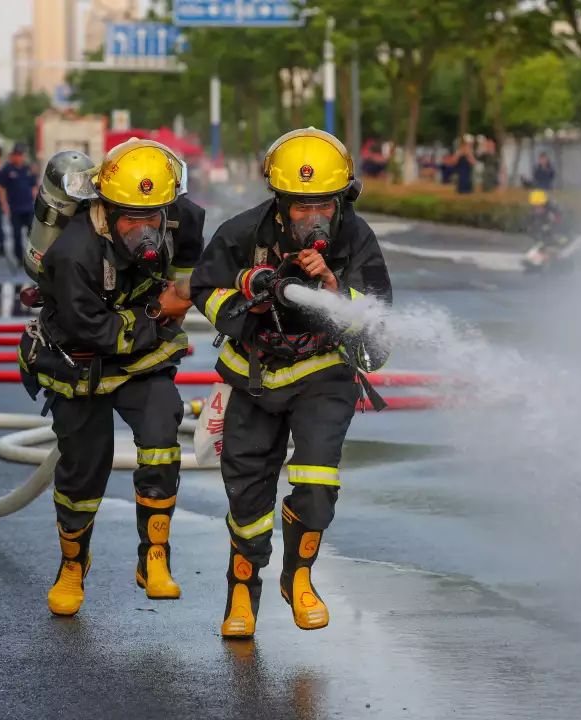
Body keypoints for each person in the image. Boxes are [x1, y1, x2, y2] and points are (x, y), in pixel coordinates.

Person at [189, 128, 392, 639]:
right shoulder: (242, 233)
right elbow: (203, 288)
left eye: (322, 204)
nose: (312, 218)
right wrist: (248, 304)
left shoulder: (357, 238)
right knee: (247, 495)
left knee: (318, 482)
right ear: (279, 202)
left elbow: (378, 325)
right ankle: (242, 589)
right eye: (299, 207)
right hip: (255, 374)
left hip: (324, 372)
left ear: (341, 198)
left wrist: (332, 288)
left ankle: (298, 578)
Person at [18, 139, 205, 616]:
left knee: (164, 425)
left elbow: (186, 278)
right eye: (132, 220)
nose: (145, 231)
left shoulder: (183, 220)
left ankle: (155, 557)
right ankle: (72, 565)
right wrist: (158, 311)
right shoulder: (73, 252)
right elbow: (96, 332)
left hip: (141, 354)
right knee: (85, 468)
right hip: (79, 361)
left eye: (153, 219)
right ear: (107, 208)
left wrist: (182, 297)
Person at [0, 143, 38, 262]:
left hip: (28, 207)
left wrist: (36, 201)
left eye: (21, 155)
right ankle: (18, 257)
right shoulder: (7, 169)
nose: (19, 157)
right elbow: (2, 188)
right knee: (16, 234)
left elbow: (33, 186)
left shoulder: (27, 169)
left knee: (32, 234)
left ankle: (33, 257)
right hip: (15, 207)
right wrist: (4, 204)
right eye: (17, 155)